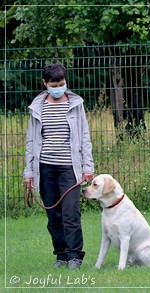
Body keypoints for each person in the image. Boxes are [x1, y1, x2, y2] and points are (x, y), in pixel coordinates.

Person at [23, 63, 94, 269]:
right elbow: (31, 141)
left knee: (71, 213)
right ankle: (61, 256)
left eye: (61, 84)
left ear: (66, 82)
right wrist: (29, 172)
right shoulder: (37, 107)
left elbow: (84, 137)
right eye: (53, 84)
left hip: (69, 169)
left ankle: (75, 257)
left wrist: (87, 167)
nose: (58, 88)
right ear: (45, 83)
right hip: (45, 168)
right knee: (53, 216)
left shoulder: (76, 104)